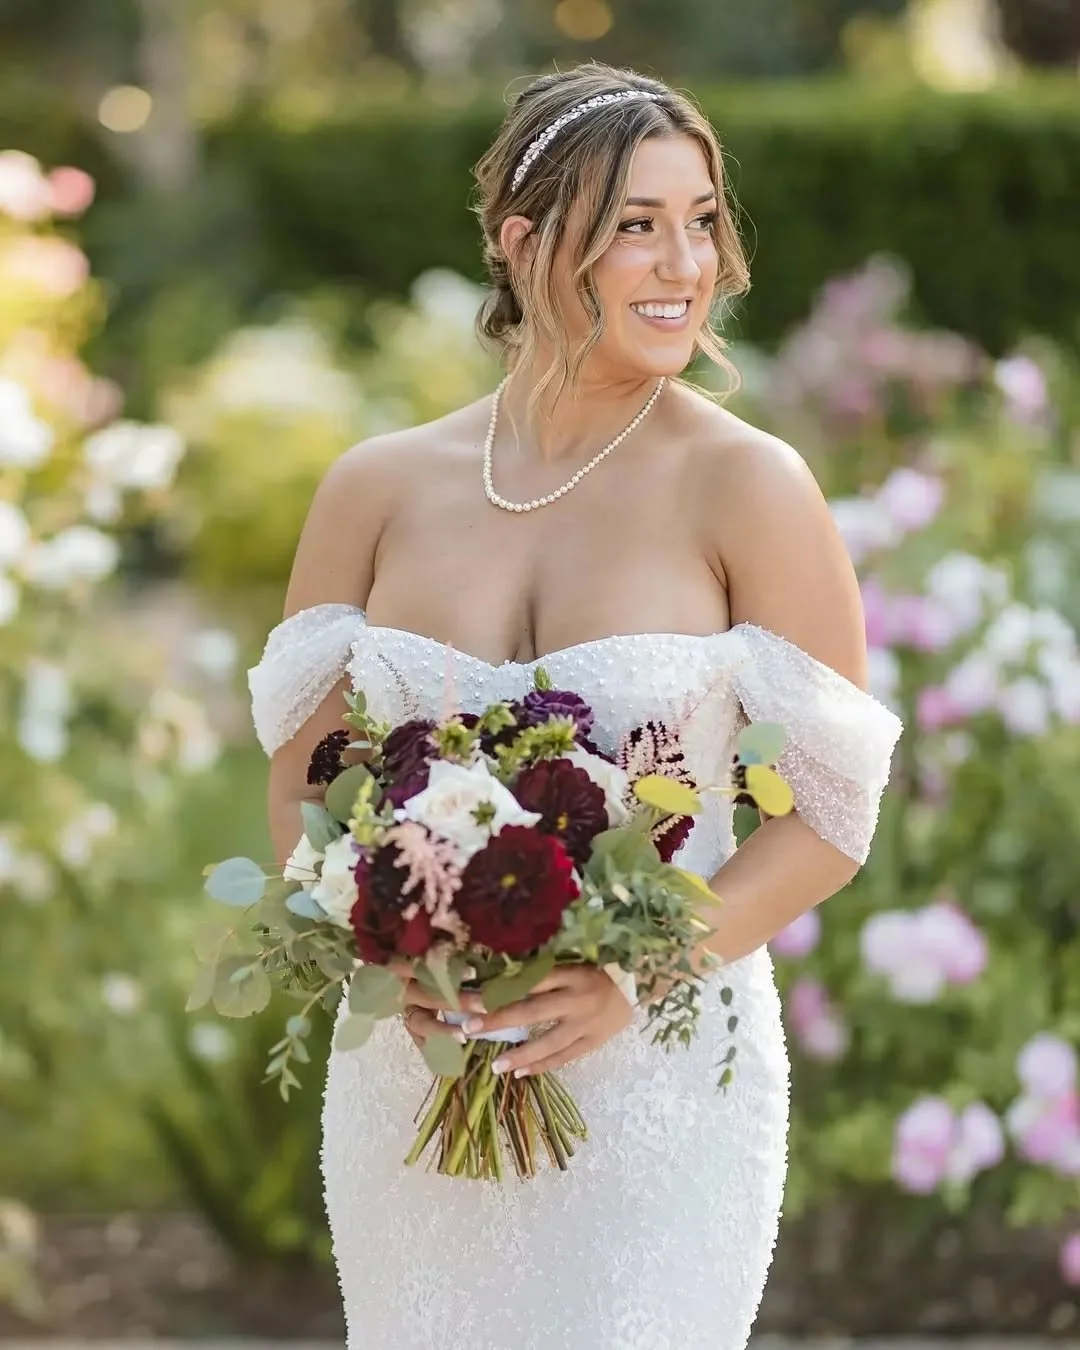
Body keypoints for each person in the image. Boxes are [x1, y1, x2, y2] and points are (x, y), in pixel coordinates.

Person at [248, 62, 902, 1350]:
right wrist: (393, 947)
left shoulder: (750, 486)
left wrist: (634, 973)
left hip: (660, 1078)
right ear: (524, 242)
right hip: (415, 1072)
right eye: (636, 225)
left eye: (701, 220)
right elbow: (303, 785)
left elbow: (831, 814)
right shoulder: (375, 489)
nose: (685, 264)